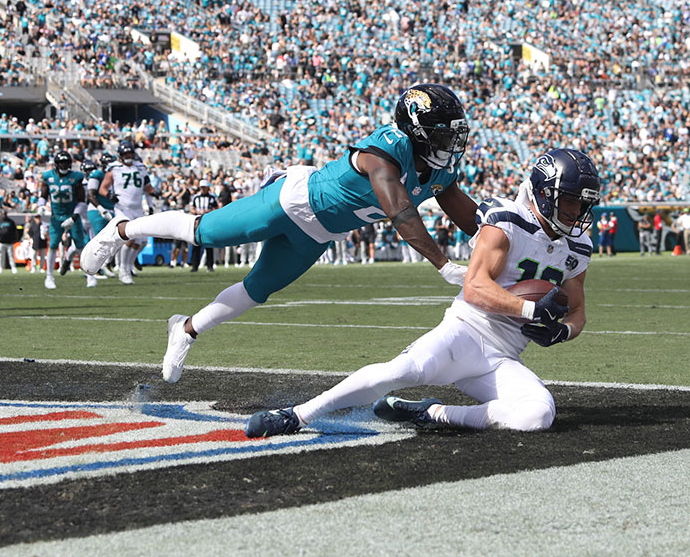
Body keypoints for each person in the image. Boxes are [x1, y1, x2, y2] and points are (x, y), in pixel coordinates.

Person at [81, 83, 479, 383]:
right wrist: (442, 264)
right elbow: (400, 209)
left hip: (319, 234)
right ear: (416, 130)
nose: (448, 144)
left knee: (257, 290)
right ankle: (121, 230)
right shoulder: (387, 147)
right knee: (206, 233)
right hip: (293, 202)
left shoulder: (440, 171)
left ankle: (185, 329)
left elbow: (465, 213)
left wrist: (499, 236)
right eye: (442, 135)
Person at [244, 148, 600, 437]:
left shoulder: (578, 245)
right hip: (464, 332)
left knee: (536, 414)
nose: (576, 212)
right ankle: (298, 415)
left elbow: (578, 308)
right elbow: (475, 288)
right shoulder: (507, 221)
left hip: (504, 355)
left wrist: (565, 329)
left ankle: (434, 413)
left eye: (583, 204)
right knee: (397, 372)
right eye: (569, 201)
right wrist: (529, 312)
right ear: (541, 192)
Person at [100, 141, 154, 284]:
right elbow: (103, 188)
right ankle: (122, 269)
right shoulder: (114, 168)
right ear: (120, 155)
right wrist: (109, 195)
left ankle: (128, 266)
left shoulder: (141, 167)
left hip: (138, 208)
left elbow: (148, 188)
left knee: (141, 241)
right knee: (128, 239)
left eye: (130, 153)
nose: (128, 156)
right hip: (122, 208)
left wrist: (151, 203)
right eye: (125, 154)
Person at [40, 150, 95, 289]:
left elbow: (82, 201)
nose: (64, 165)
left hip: (72, 215)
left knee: (80, 245)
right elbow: (43, 195)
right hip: (56, 216)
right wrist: (40, 206)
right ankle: (49, 277)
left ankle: (90, 275)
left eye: (66, 163)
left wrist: (74, 217)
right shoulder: (48, 176)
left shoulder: (76, 177)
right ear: (56, 164)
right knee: (53, 245)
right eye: (61, 163)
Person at [189, 179, 218, 272]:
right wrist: (196, 212)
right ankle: (194, 266)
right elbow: (191, 208)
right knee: (196, 244)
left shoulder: (212, 197)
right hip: (197, 223)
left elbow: (216, 209)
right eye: (201, 187)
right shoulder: (196, 197)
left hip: (208, 222)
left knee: (209, 244)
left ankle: (210, 266)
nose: (203, 189)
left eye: (204, 187)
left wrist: (207, 212)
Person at [0, 209, 19, 273]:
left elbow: (15, 231)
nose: (3, 215)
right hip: (1, 242)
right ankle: (0, 267)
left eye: (4, 214)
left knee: (11, 255)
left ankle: (13, 267)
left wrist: (15, 239)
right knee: (0, 256)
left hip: (9, 242)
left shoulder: (11, 222)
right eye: (2, 214)